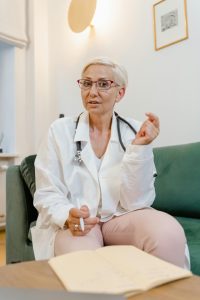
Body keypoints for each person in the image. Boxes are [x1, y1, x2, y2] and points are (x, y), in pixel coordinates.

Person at [31, 57, 190, 269]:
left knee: (168, 233)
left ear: (120, 93)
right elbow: (47, 192)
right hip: (77, 224)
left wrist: (139, 148)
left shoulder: (136, 131)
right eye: (86, 83)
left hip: (121, 218)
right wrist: (67, 216)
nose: (92, 92)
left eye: (103, 84)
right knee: (85, 262)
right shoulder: (59, 131)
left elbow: (136, 202)